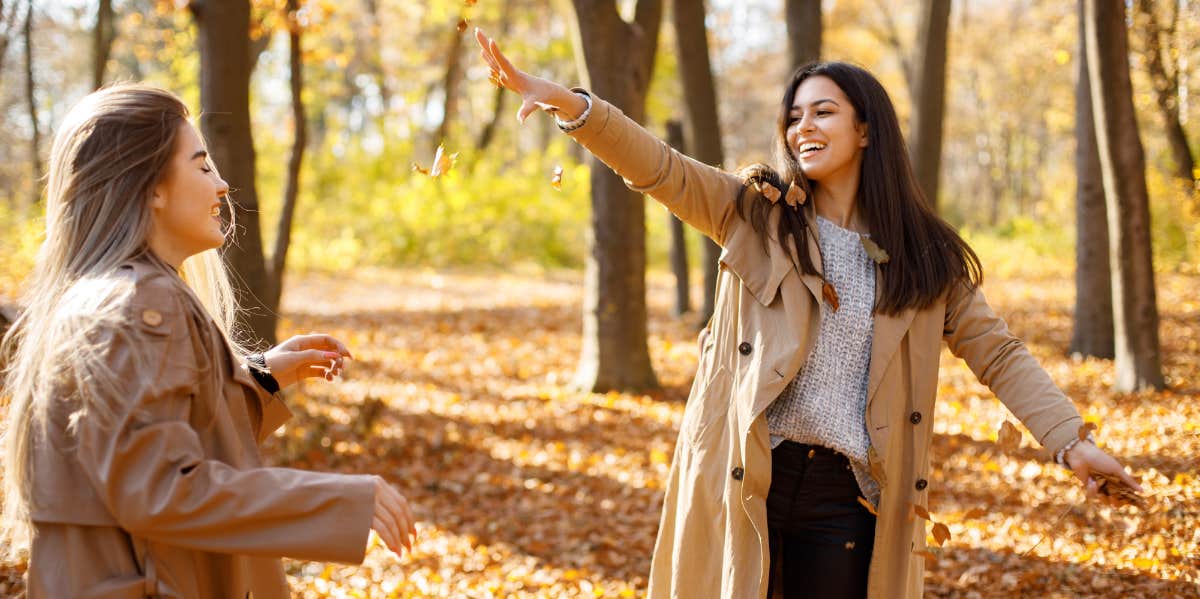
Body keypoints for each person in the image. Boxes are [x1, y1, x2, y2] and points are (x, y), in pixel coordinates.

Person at [474, 29, 1143, 599]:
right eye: (795, 116)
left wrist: (1071, 441)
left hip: (844, 494)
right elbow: (662, 169)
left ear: (865, 129)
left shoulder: (924, 258)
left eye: (823, 112)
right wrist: (574, 106)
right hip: (751, 473)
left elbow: (999, 354)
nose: (803, 128)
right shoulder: (755, 215)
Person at [0, 84, 416, 598]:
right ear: (150, 187)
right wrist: (344, 501)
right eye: (201, 166)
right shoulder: (138, 303)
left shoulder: (111, 295)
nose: (221, 184)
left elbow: (148, 438)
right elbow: (160, 488)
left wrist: (258, 376)